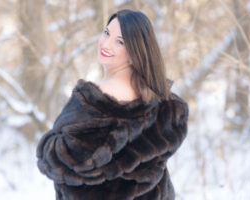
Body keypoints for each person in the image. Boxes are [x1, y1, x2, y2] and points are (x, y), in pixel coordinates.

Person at [36, 9, 189, 200]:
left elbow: (61, 160)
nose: (106, 43)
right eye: (107, 33)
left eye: (120, 42)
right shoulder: (161, 102)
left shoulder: (93, 101)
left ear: (135, 51)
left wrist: (48, 147)